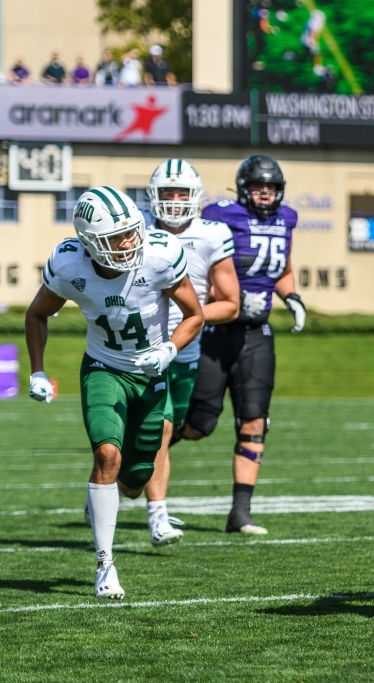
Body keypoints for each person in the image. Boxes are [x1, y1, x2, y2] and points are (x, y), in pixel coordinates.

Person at [24, 186, 203, 599]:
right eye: (117, 237)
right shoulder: (70, 265)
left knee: (135, 480)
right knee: (107, 454)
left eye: (131, 232)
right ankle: (105, 565)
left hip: (150, 372)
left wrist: (169, 349)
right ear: (90, 242)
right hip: (104, 369)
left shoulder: (160, 254)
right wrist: (38, 371)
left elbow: (195, 313)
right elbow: (37, 314)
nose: (129, 242)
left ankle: (100, 496)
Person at [181, 155, 306, 535]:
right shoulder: (222, 215)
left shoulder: (287, 219)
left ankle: (240, 513)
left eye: (270, 187)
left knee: (254, 421)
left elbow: (281, 267)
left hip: (256, 334)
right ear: (243, 188)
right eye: (257, 187)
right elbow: (203, 261)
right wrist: (222, 295)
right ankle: (140, 474)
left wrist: (293, 297)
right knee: (199, 424)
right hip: (217, 331)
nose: (264, 193)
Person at [142, 159, 240, 545]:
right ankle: (158, 515)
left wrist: (191, 317)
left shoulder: (212, 234)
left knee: (173, 427)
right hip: (145, 348)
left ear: (196, 196)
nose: (176, 200)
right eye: (168, 192)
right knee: (161, 430)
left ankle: (112, 482)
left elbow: (231, 303)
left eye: (183, 192)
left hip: (186, 351)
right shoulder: (138, 233)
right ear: (154, 196)